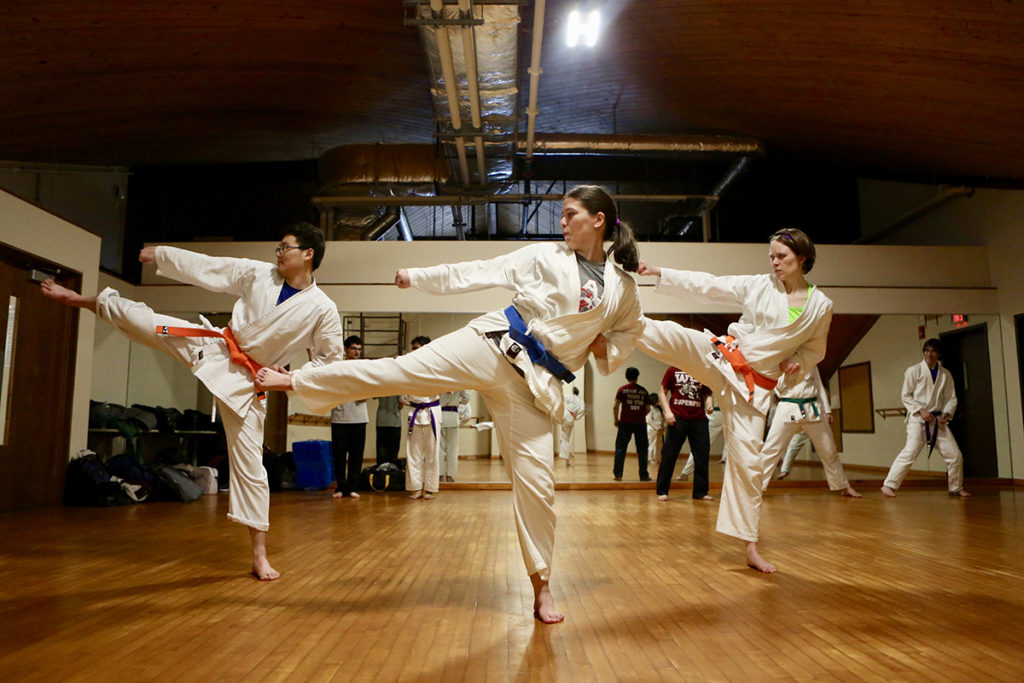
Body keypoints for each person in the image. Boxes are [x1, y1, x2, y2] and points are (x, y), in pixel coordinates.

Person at [254, 184, 644, 623]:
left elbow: (628, 336)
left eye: (570, 214)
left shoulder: (623, 289)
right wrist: (419, 278)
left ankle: (542, 587)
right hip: (493, 343)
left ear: (597, 221)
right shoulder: (545, 256)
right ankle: (296, 379)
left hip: (535, 385)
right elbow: (480, 270)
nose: (561, 222)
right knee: (397, 371)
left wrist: (600, 346)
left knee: (539, 486)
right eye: (561, 214)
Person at [41, 223, 344, 580]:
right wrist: (165, 255)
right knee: (150, 322)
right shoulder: (259, 274)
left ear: (308, 254)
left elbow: (331, 362)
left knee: (251, 468)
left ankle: (259, 554)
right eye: (277, 247)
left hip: (249, 381)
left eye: (285, 248)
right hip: (215, 347)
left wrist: (288, 380)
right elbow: (213, 267)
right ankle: (84, 300)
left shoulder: (323, 309)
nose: (278, 253)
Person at [638, 227, 831, 574]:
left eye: (781, 257)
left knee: (749, 464)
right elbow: (710, 285)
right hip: (725, 357)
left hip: (753, 390)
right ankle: (618, 323)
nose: (774, 262)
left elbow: (814, 350)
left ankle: (750, 546)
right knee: (676, 337)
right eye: (771, 256)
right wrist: (661, 273)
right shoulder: (759, 285)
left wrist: (797, 362)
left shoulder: (821, 306)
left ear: (802, 258)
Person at [881, 339, 971, 498]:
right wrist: (920, 410)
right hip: (918, 419)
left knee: (955, 455)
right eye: (927, 350)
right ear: (924, 352)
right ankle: (889, 485)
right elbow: (905, 396)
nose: (929, 354)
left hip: (937, 420)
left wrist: (947, 413)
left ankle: (956, 487)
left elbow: (952, 398)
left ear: (939, 354)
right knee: (910, 452)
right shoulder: (913, 371)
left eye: (933, 351)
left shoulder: (945, 374)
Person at [761, 367, 861, 497]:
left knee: (829, 450)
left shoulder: (811, 361)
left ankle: (843, 486)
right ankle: (756, 488)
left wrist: (827, 410)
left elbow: (818, 386)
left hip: (813, 409)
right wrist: (787, 371)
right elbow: (777, 388)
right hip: (787, 408)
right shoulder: (779, 360)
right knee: (770, 449)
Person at [656, 367, 714, 501]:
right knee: (669, 455)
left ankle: (700, 492)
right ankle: (662, 490)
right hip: (677, 419)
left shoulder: (701, 369)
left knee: (702, 455)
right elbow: (662, 392)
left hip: (699, 419)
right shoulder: (673, 370)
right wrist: (668, 412)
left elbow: (707, 393)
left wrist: (709, 404)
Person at [403, 336, 442, 499]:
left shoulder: (436, 367)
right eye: (413, 348)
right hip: (414, 412)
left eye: (417, 348)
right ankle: (416, 487)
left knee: (432, 453)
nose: (414, 351)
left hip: (431, 412)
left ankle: (430, 488)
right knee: (413, 452)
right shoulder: (408, 367)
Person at [330, 336, 367, 500]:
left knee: (356, 455)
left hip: (359, 417)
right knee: (339, 455)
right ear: (346, 349)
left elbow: (370, 387)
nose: (357, 352)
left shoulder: (364, 367)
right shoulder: (337, 367)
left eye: (359, 349)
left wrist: (364, 394)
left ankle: (352, 487)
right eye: (353, 348)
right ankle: (340, 487)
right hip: (340, 417)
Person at [612, 367, 651, 481]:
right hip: (640, 423)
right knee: (642, 449)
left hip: (625, 422)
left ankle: (618, 474)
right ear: (637, 376)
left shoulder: (622, 390)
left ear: (626, 377)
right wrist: (640, 415)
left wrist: (616, 419)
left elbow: (615, 406)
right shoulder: (643, 391)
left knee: (620, 448)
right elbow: (648, 409)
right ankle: (643, 475)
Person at [676, 398, 728, 480]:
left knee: (700, 446)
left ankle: (685, 473)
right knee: (733, 445)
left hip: (719, 413)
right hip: (725, 413)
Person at [439, 388, 471, 482]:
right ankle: (450, 475)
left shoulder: (440, 381)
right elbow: (467, 397)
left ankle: (439, 474)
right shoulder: (458, 384)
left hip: (440, 416)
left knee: (439, 448)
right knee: (452, 448)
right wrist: (458, 402)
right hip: (453, 416)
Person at [559, 386, 586, 467]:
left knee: (564, 438)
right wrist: (575, 418)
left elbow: (560, 397)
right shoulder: (581, 401)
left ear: (573, 392)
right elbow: (581, 412)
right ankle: (567, 461)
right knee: (566, 438)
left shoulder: (570, 397)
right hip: (570, 417)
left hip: (562, 413)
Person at [375, 396, 403, 465]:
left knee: (381, 454)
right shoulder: (398, 385)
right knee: (393, 453)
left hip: (381, 420)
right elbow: (401, 404)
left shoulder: (381, 385)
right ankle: (391, 473)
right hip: (394, 420)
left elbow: (373, 396)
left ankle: (381, 473)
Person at [645, 392, 665, 471]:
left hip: (659, 429)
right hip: (652, 429)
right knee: (652, 443)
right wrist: (656, 427)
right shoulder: (650, 408)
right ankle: (651, 458)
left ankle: (657, 458)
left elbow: (662, 419)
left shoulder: (658, 409)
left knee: (659, 445)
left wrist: (663, 426)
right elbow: (648, 420)